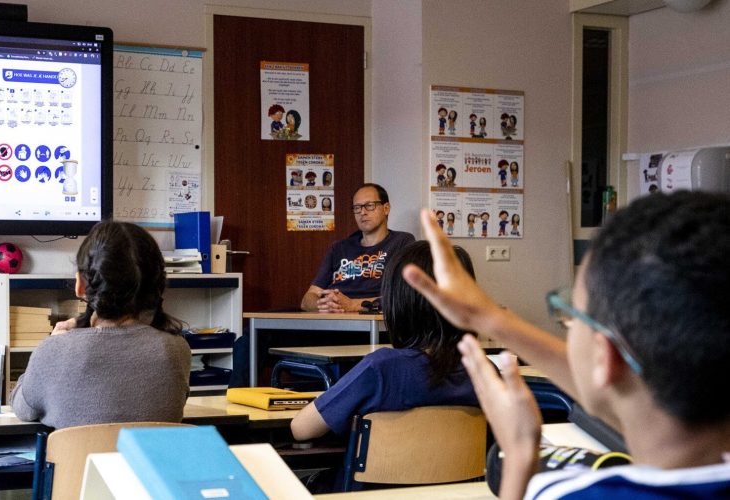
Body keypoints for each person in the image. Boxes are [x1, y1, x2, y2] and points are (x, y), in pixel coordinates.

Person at [403, 191, 730, 499]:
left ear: (604, 356)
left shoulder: (567, 493)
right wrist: (490, 319)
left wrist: (518, 458)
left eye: (572, 315)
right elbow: (639, 396)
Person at [291, 241, 479, 441]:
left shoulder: (382, 368)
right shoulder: (483, 373)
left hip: (376, 473)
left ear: (397, 302)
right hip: (464, 473)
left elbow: (301, 429)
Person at [11, 221, 191, 428]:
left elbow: (23, 409)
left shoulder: (53, 350)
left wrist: (54, 342)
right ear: (156, 286)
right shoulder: (177, 349)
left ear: (80, 285)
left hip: (77, 461)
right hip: (145, 461)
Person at [301, 184, 416, 313]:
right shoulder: (339, 248)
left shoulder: (401, 242)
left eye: (369, 206)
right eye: (357, 207)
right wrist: (323, 305)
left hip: (372, 323)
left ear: (386, 208)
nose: (362, 212)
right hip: (332, 319)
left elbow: (405, 297)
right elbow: (307, 299)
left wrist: (353, 305)